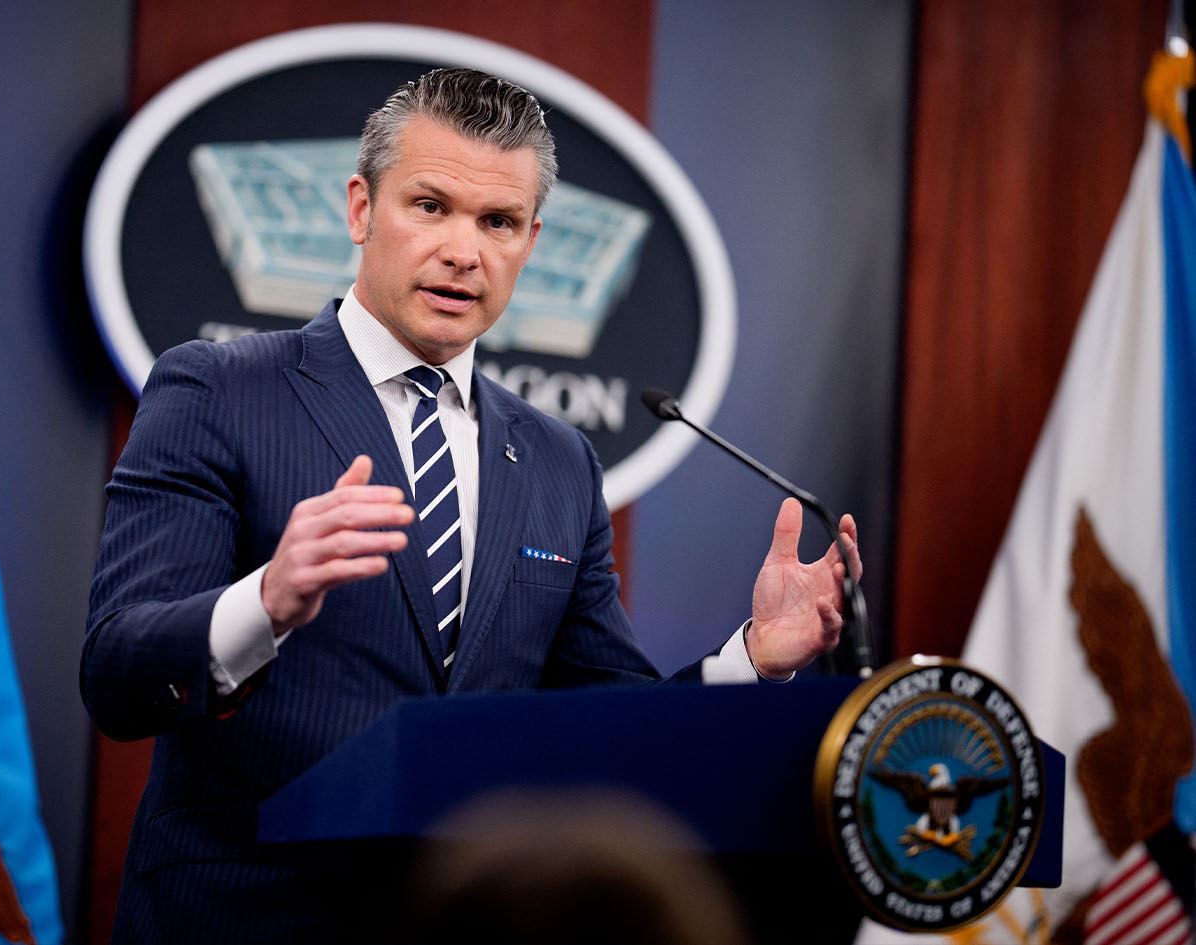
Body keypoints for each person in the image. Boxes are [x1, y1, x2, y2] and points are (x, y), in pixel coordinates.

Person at [82, 67, 861, 943]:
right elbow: (117, 674)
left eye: (497, 222)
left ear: (531, 240)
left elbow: (615, 726)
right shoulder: (219, 389)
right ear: (360, 209)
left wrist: (754, 659)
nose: (464, 251)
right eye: (430, 206)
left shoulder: (559, 459)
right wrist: (264, 600)